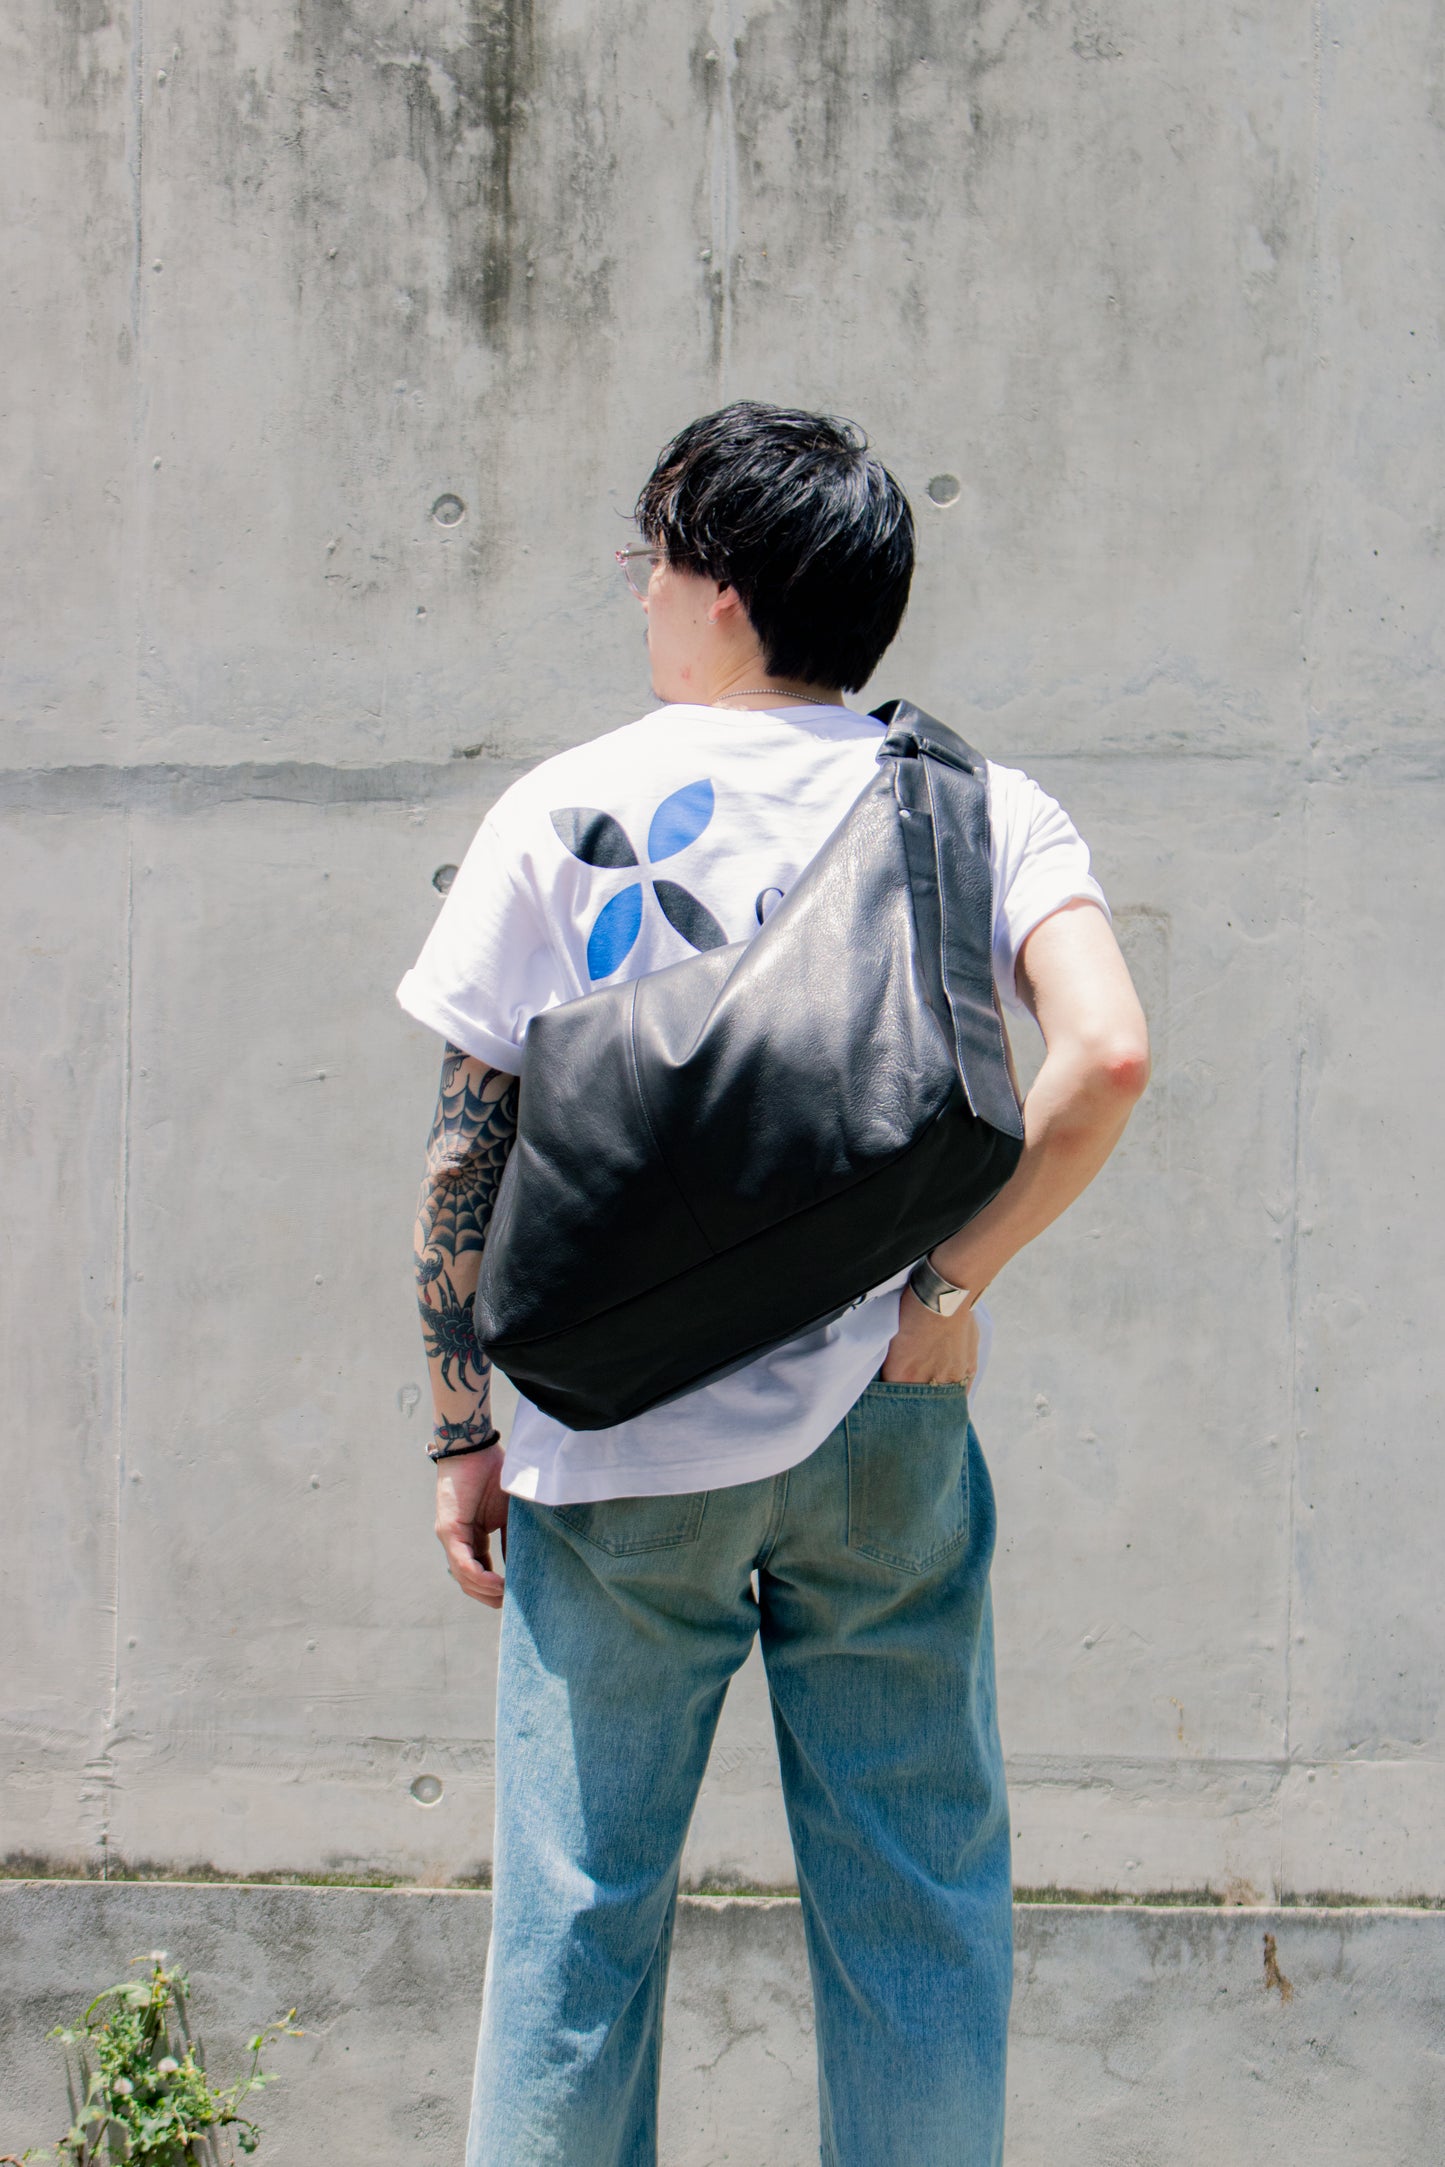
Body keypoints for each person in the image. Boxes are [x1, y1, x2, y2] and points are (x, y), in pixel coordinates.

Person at [397, 402, 1150, 2167]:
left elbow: (462, 1159)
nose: (638, 594)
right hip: (884, 1423)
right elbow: (1105, 1056)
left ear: (721, 588)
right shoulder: (978, 804)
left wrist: (458, 1425)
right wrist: (941, 1296)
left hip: (614, 1435)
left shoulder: (563, 803)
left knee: (579, 1922)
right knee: (915, 1906)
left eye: (648, 560)